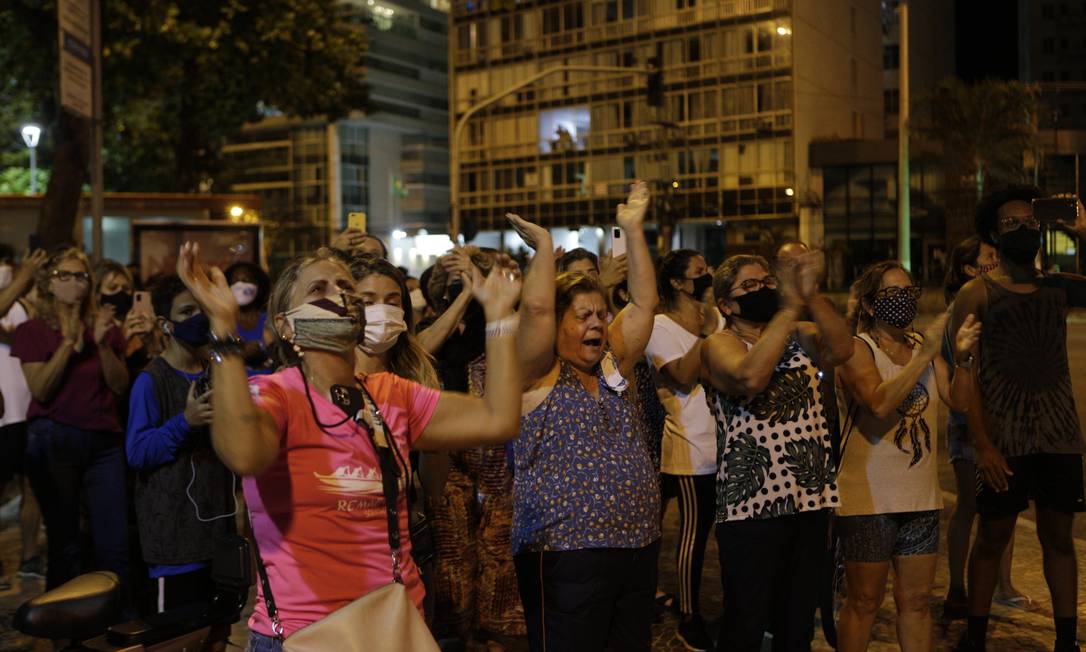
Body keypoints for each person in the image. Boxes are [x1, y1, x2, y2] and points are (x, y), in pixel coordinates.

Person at [174, 241, 523, 650]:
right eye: (318, 289)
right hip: (305, 634)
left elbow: (498, 418)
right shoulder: (274, 395)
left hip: (393, 627)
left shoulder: (391, 394)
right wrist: (223, 330)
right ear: (286, 326)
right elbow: (244, 453)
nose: (339, 294)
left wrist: (500, 316)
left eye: (345, 286)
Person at [508, 181, 661, 652]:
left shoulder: (614, 360)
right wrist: (546, 251)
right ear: (555, 324)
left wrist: (632, 229)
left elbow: (643, 304)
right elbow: (534, 309)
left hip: (636, 546)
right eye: (581, 316)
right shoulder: (537, 372)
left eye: (599, 313)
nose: (597, 323)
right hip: (563, 555)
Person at [951, 187, 1086, 652]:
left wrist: (1083, 234)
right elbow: (962, 378)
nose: (1023, 229)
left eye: (1030, 222)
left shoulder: (1057, 287)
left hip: (1059, 436)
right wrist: (982, 445)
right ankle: (976, 635)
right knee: (991, 537)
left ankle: (1066, 642)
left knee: (1059, 539)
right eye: (1011, 223)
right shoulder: (977, 293)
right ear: (992, 231)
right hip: (1004, 439)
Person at [701, 251, 853, 652]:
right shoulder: (719, 343)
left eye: (767, 282)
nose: (762, 290)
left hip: (808, 499)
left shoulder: (800, 332)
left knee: (797, 623)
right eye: (749, 287)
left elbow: (842, 349)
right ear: (725, 305)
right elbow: (749, 376)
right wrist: (786, 308)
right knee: (746, 623)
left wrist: (812, 294)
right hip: (751, 506)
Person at [833, 261, 978, 652]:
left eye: (908, 292)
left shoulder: (923, 347)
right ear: (868, 304)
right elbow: (878, 403)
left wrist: (963, 358)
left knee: (916, 603)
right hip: (869, 500)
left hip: (920, 499)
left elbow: (959, 400)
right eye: (891, 294)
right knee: (864, 602)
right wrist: (923, 356)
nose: (902, 301)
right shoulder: (857, 350)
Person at [417, 248, 527, 648]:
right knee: (451, 552)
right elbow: (424, 348)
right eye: (449, 284)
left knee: (499, 548)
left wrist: (489, 292)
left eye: (468, 280)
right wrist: (462, 296)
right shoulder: (433, 328)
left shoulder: (504, 325)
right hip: (447, 452)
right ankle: (454, 633)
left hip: (497, 453)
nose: (459, 288)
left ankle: (497, 632)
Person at [13, 247, 130, 590]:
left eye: (81, 276)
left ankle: (117, 623)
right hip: (53, 441)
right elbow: (41, 390)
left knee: (113, 541)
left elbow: (120, 385)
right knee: (66, 543)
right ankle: (64, 630)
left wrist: (103, 346)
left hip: (103, 444)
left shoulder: (105, 327)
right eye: (64, 275)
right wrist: (68, 346)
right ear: (48, 283)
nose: (75, 283)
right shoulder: (32, 330)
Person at [125, 275, 236, 612]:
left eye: (202, 309)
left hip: (220, 531)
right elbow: (137, 452)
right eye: (187, 311)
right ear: (166, 324)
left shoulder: (218, 372)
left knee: (219, 630)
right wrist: (184, 422)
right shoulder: (151, 380)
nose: (198, 318)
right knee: (178, 636)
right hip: (173, 537)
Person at [941, 236, 1028, 618]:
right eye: (989, 257)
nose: (997, 261)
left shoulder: (998, 302)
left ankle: (1003, 585)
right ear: (969, 269)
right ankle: (958, 586)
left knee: (1002, 505)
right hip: (966, 425)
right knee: (970, 506)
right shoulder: (959, 312)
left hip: (1004, 424)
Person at [643, 248, 720, 651]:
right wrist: (709, 336)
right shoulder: (659, 326)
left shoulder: (715, 317)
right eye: (699, 272)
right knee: (693, 532)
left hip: (729, 445)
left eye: (708, 270)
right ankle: (690, 616)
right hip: (692, 447)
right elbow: (685, 376)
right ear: (676, 282)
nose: (706, 277)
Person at [0, 249, 47, 586]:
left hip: (30, 408)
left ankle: (29, 557)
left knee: (34, 487)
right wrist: (23, 277)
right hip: (3, 416)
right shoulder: (12, 292)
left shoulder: (23, 301)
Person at [224, 261, 273, 372]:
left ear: (258, 287)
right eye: (235, 281)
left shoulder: (268, 320)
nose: (240, 285)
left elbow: (278, 354)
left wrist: (262, 349)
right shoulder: (224, 321)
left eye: (246, 280)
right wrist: (239, 352)